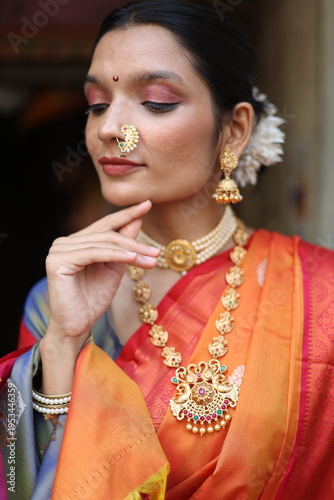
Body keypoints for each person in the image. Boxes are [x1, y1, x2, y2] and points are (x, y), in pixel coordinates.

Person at [1, 1, 333, 498]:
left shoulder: (319, 294)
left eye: (155, 102)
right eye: (96, 104)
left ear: (234, 130)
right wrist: (64, 345)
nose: (110, 128)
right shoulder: (53, 302)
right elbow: (20, 480)